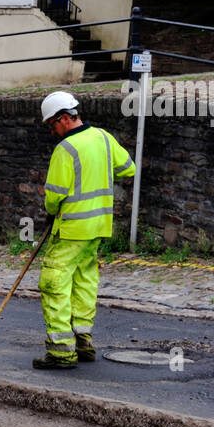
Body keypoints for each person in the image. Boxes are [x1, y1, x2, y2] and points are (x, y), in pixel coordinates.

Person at [34, 91, 135, 370]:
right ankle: (83, 342)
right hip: (98, 227)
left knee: (54, 283)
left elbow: (53, 198)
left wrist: (52, 212)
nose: (52, 131)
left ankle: (60, 352)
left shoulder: (65, 150)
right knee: (84, 281)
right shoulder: (103, 138)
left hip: (72, 229)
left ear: (65, 118)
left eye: (52, 125)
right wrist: (97, 174)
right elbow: (129, 168)